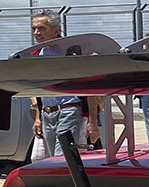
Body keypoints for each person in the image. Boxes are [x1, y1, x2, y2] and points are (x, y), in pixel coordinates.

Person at [29, 9, 99, 156]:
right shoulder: (35, 56)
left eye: (42, 28)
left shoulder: (71, 54)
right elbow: (35, 89)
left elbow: (88, 87)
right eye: (34, 28)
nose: (37, 33)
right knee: (52, 158)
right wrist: (38, 117)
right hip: (47, 113)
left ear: (56, 31)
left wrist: (92, 121)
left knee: (65, 156)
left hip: (69, 110)